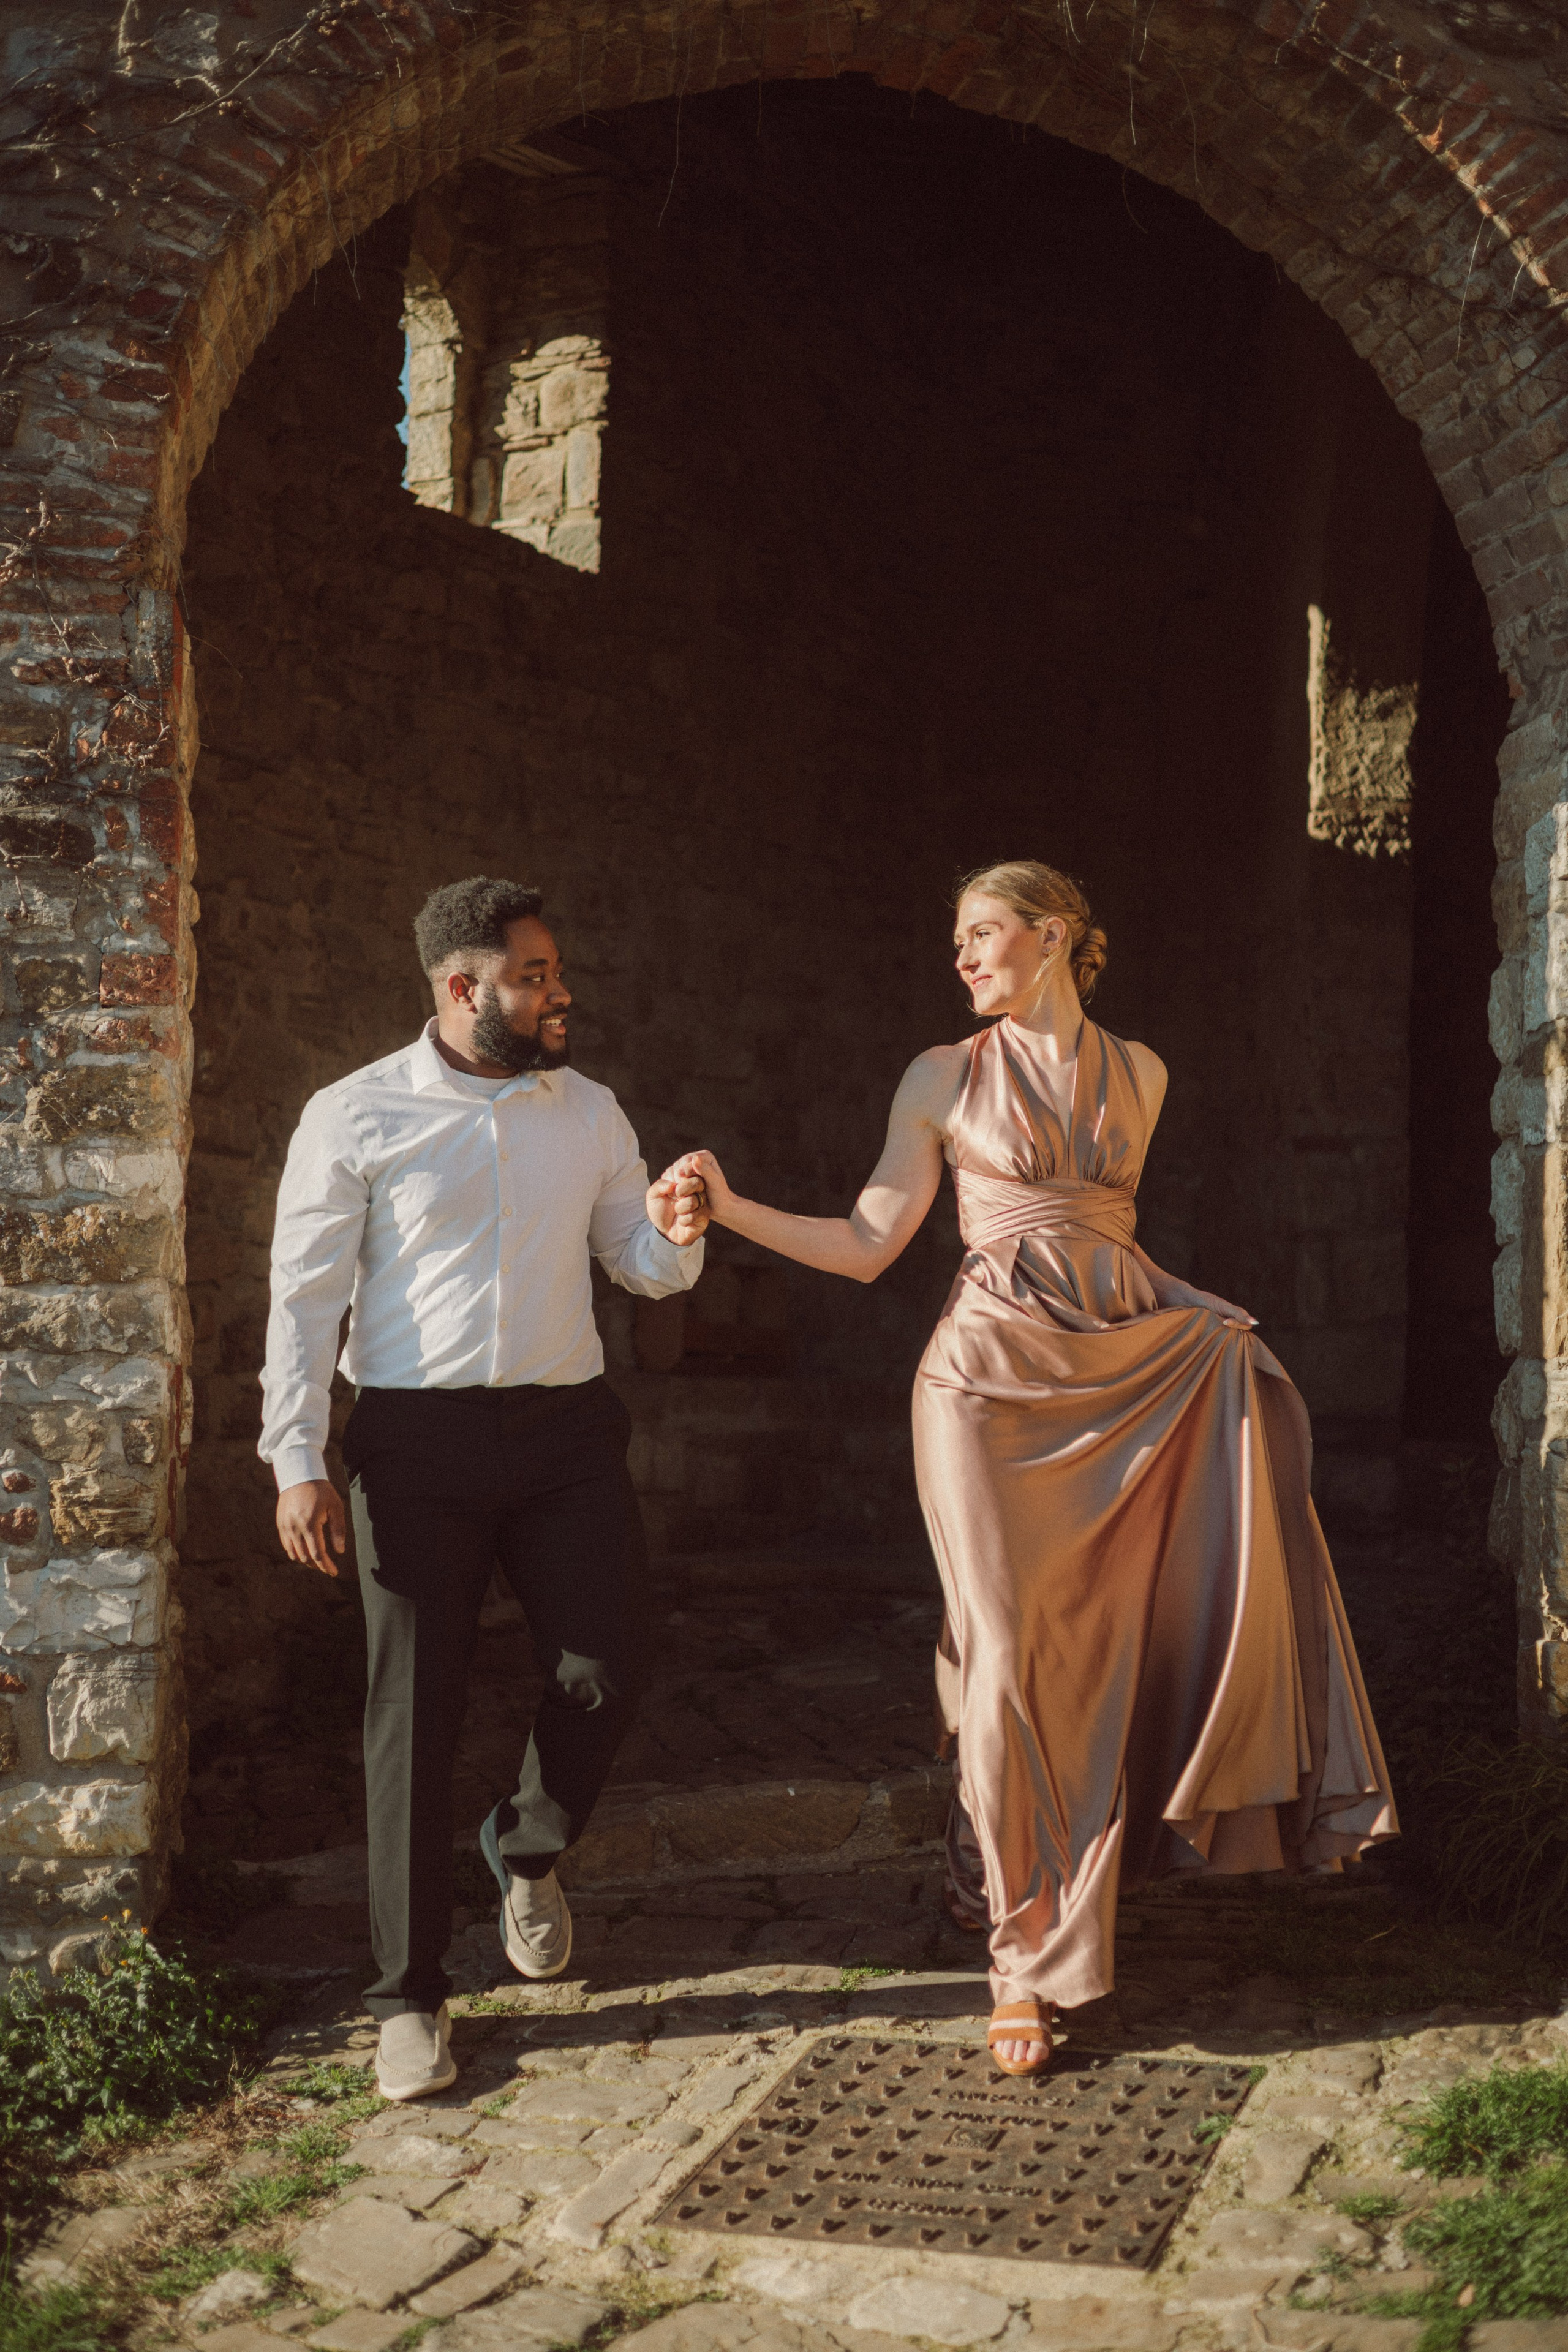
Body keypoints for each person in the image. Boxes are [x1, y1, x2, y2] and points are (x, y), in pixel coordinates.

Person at [672, 859, 1396, 2078]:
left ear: (1052, 935)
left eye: (980, 934)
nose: (960, 959)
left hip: (1116, 1372)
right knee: (1009, 1649)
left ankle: (982, 1846)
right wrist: (730, 1208)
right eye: (954, 941)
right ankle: (1023, 1956)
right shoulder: (940, 1074)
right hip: (983, 1389)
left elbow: (1095, 1236)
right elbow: (865, 1244)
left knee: (1083, 1645)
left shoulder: (1143, 1073)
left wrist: (1187, 1313)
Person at [260, 876, 707, 2101]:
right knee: (415, 1710)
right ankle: (407, 2002)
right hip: (414, 1446)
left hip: (566, 1433)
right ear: (462, 989)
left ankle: (527, 1847)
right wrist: (296, 1459)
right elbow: (302, 1302)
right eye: (535, 975)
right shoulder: (354, 1117)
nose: (559, 993)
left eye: (554, 972)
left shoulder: (591, 1112)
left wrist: (676, 1224)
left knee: (607, 1664)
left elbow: (642, 1269)